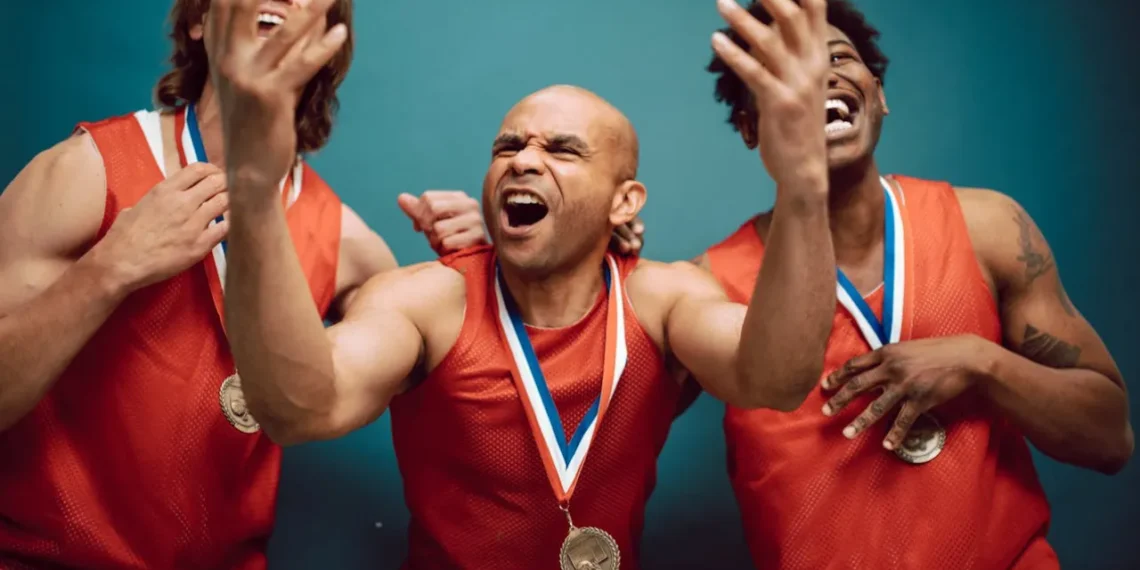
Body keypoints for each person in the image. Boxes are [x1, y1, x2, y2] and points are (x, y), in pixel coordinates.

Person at [205, 0, 837, 567]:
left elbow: (775, 380)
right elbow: (301, 409)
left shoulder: (664, 301)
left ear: (626, 202)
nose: (523, 160)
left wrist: (803, 183)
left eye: (563, 150)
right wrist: (256, 189)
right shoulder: (430, 301)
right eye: (507, 147)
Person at [0, 1, 494, 568]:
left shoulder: (348, 245)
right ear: (198, 22)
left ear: (327, 43)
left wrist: (475, 267)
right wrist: (111, 268)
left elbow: (453, 403)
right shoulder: (84, 174)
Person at [700, 0, 1134, 568]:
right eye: (788, 69)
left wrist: (984, 363)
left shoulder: (989, 228)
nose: (819, 75)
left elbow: (1110, 438)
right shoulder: (708, 284)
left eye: (838, 57)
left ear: (877, 95)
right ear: (750, 127)